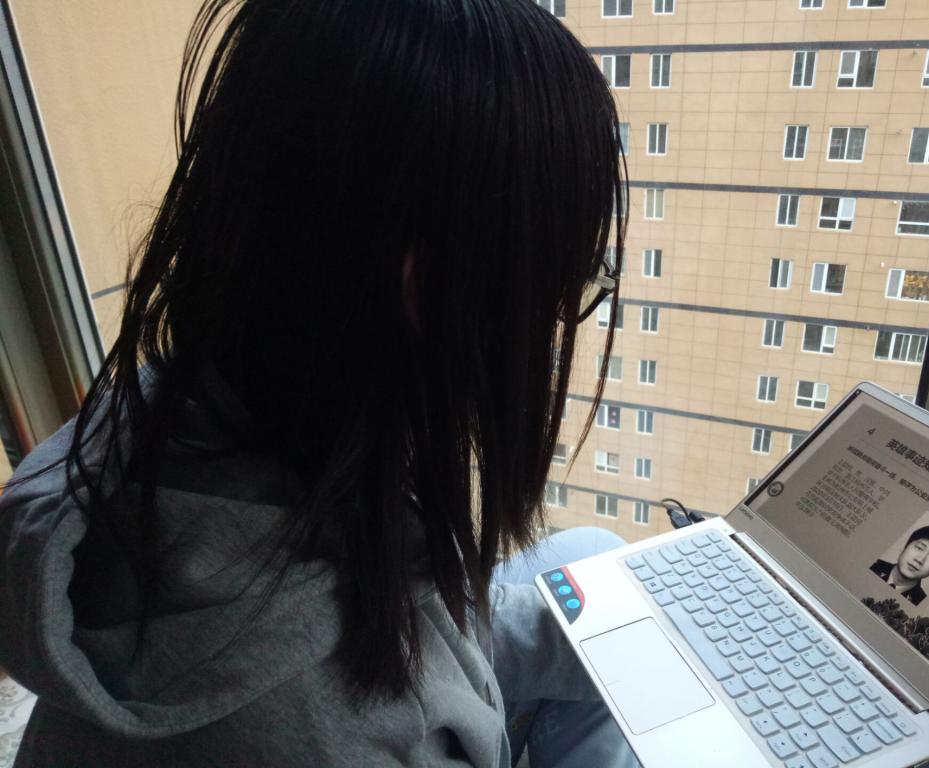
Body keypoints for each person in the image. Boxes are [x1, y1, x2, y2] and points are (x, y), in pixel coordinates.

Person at [0, 1, 639, 765]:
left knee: (600, 557)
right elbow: (374, 671)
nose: (556, 321)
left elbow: (410, 618)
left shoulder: (214, 404)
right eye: (565, 281)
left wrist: (628, 640)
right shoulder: (322, 735)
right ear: (427, 292)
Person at [870, 524, 929, 606]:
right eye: (919, 548)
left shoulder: (922, 604)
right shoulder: (872, 564)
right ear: (905, 547)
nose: (919, 560)